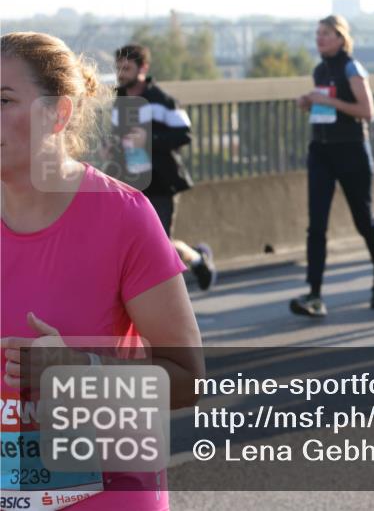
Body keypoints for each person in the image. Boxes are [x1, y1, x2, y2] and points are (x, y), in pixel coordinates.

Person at [1, 32, 204, 510]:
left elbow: (188, 377)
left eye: (3, 99)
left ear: (59, 112)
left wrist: (78, 371)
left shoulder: (123, 216)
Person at [291, 15, 374, 317]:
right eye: (317, 33)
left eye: (326, 33)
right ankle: (315, 294)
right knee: (316, 225)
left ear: (340, 37)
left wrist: (330, 102)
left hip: (351, 151)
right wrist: (310, 102)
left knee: (363, 219)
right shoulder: (320, 69)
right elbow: (326, 105)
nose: (319, 38)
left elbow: (367, 111)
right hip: (321, 152)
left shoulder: (352, 67)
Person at [113, 44, 217, 290]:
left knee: (159, 243)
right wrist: (114, 147)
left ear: (143, 68)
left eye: (126, 68)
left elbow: (185, 135)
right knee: (136, 242)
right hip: (131, 180)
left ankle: (197, 260)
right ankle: (196, 259)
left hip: (161, 180)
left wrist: (149, 140)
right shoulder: (119, 99)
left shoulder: (163, 100)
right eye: (118, 68)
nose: (121, 73)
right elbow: (122, 138)